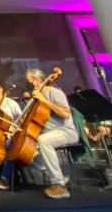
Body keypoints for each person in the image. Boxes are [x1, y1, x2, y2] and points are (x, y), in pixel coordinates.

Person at [23, 68, 79, 199]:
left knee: (44, 140)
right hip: (48, 133)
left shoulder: (54, 92)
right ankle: (60, 177)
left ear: (37, 81)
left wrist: (44, 100)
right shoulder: (35, 97)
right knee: (26, 152)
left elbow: (65, 113)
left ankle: (59, 185)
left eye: (28, 80)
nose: (26, 83)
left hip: (66, 132)